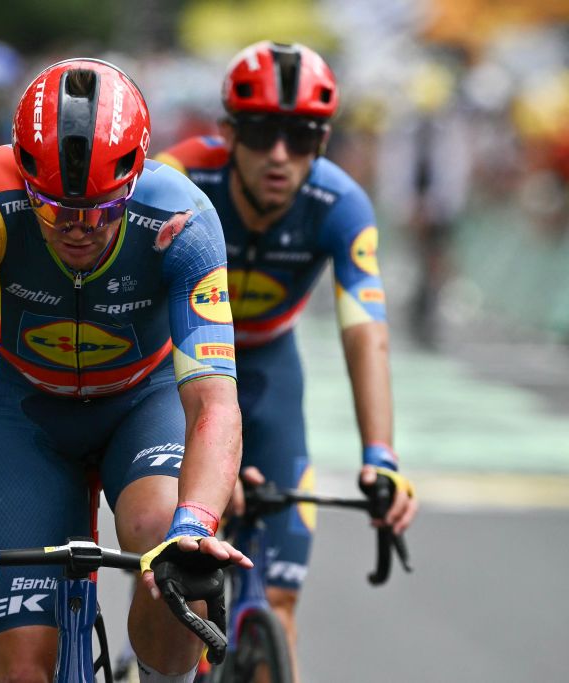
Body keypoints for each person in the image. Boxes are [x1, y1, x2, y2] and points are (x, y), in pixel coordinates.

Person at [0, 58, 252, 682]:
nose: (78, 228)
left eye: (100, 207)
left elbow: (214, 402)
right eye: (54, 206)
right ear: (24, 175)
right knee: (22, 670)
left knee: (163, 540)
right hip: (23, 411)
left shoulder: (184, 220)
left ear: (136, 175)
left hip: (141, 405)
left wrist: (195, 523)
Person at [154, 41, 418, 679]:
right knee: (181, 572)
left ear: (323, 142)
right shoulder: (177, 179)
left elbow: (366, 332)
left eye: (300, 137)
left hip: (269, 369)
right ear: (227, 133)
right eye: (262, 132)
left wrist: (380, 457)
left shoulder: (341, 205)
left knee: (280, 596)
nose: (279, 154)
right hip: (173, 366)